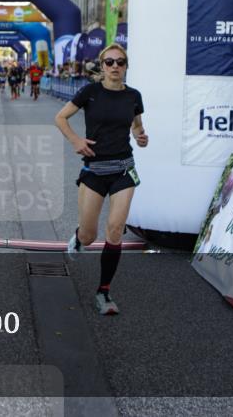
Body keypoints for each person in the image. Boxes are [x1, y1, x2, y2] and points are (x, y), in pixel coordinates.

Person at [55, 43, 148, 316]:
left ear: (126, 66)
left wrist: (142, 137)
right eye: (109, 62)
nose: (115, 66)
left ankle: (104, 292)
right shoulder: (91, 92)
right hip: (94, 171)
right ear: (102, 65)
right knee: (89, 233)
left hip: (123, 169)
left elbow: (138, 127)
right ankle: (79, 239)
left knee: (116, 229)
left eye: (120, 62)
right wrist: (75, 140)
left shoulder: (134, 96)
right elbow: (60, 118)